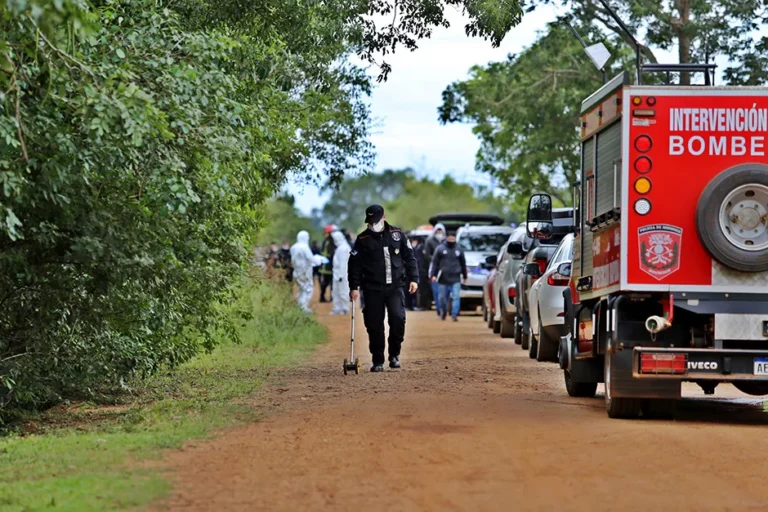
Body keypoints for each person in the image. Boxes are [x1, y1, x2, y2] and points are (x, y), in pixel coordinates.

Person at [348, 204, 418, 372]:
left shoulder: (397, 235)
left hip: (395, 287)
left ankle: (394, 355)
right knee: (374, 325)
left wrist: (414, 279)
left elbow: (410, 258)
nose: (373, 224)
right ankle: (377, 360)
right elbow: (354, 265)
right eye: (370, 221)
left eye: (375, 221)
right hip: (372, 288)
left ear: (383, 218)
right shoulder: (363, 239)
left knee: (397, 318)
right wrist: (354, 287)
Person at [430, 232, 467, 322]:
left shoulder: (459, 249)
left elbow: (463, 264)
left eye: (453, 238)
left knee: (456, 296)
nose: (451, 240)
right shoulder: (440, 248)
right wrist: (433, 275)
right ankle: (444, 311)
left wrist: (464, 275)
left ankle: (454, 314)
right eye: (449, 238)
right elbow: (435, 263)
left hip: (456, 277)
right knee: (442, 297)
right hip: (443, 277)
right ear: (446, 238)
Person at [423, 223, 446, 315]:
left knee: (444, 291)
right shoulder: (429, 240)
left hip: (445, 269)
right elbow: (426, 255)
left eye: (441, 231)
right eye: (438, 231)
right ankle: (439, 309)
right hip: (434, 269)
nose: (439, 233)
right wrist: (435, 259)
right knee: (436, 291)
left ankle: (444, 308)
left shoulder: (446, 241)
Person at [290, 231, 315, 313]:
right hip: (305, 272)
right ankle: (303, 306)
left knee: (301, 289)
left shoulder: (293, 247)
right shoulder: (304, 247)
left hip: (296, 271)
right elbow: (310, 258)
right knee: (307, 289)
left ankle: (300, 306)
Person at [330, 230, 351, 316]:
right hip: (337, 274)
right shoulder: (340, 247)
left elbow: (343, 263)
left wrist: (341, 276)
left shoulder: (343, 248)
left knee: (343, 292)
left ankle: (345, 308)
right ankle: (337, 308)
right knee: (335, 292)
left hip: (342, 274)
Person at [319, 224, 336, 302]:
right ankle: (331, 297)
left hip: (324, 265)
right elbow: (331, 253)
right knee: (330, 282)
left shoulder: (325, 241)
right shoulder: (331, 241)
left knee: (325, 282)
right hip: (330, 266)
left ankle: (322, 296)